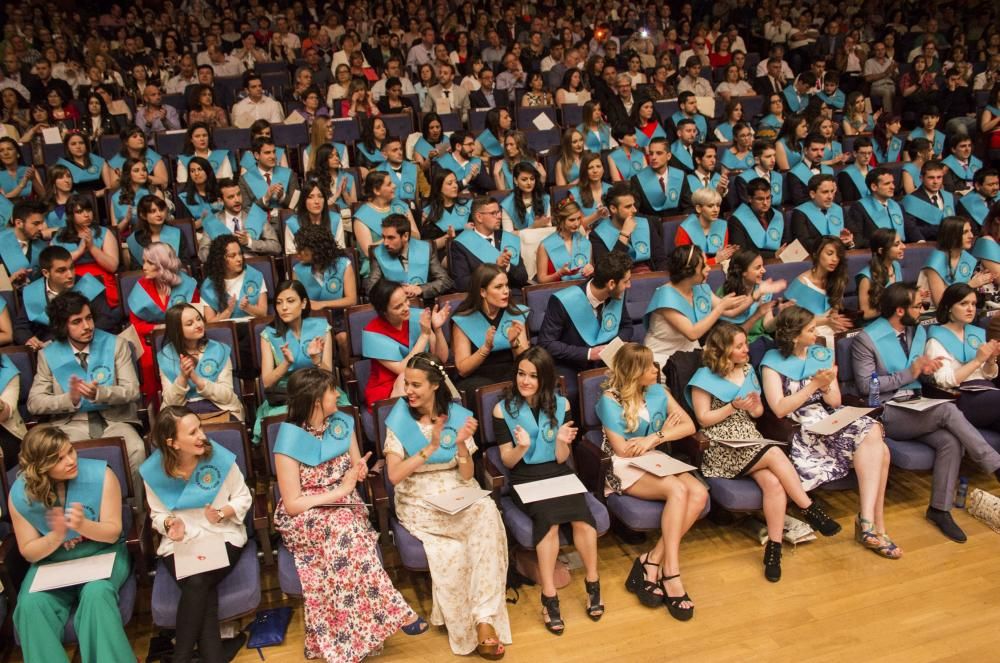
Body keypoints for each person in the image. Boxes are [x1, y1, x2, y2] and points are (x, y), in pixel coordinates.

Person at [274, 367, 428, 660]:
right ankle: (396, 610)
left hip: (343, 503)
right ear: (316, 400)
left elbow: (356, 468)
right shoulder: (288, 440)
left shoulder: (342, 424)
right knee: (349, 534)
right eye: (332, 390)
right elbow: (293, 503)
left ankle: (350, 640)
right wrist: (339, 492)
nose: (337, 394)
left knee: (349, 537)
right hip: (307, 513)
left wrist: (359, 472)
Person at [689, 323, 841, 581]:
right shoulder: (703, 377)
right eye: (739, 346)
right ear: (723, 349)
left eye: (745, 343)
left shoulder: (747, 370)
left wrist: (755, 406)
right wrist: (732, 407)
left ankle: (774, 548)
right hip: (721, 444)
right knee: (773, 452)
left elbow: (757, 414)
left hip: (749, 438)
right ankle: (808, 507)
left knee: (774, 484)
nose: (746, 349)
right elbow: (703, 419)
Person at [384, 353, 511, 658]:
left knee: (487, 513)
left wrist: (458, 446)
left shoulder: (455, 416)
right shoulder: (399, 421)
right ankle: (476, 622)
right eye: (406, 384)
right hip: (419, 498)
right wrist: (430, 446)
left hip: (457, 490)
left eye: (416, 385)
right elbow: (394, 475)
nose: (408, 391)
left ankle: (483, 618)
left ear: (435, 386)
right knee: (458, 546)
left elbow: (466, 473)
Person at [851, 282, 1000, 543]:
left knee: (950, 441)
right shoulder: (866, 339)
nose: (923, 310)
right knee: (946, 411)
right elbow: (867, 386)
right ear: (900, 310)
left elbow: (925, 377)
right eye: (919, 306)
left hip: (918, 405)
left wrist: (928, 372)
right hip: (887, 410)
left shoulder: (916, 332)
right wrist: (911, 373)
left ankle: (939, 509)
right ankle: (995, 465)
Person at [762, 305, 898, 558]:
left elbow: (835, 402)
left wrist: (826, 387)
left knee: (873, 433)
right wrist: (813, 384)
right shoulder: (771, 363)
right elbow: (779, 409)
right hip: (799, 427)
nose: (816, 334)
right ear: (794, 335)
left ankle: (869, 522)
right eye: (811, 330)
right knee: (883, 452)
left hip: (827, 418)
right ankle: (873, 526)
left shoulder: (821, 354)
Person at [495, 346, 601, 631]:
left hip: (557, 472)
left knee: (582, 518)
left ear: (544, 379)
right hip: (525, 478)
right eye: (521, 374)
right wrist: (521, 447)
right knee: (549, 523)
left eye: (532, 376)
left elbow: (561, 458)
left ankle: (593, 583)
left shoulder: (561, 405)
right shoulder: (503, 408)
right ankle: (549, 597)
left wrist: (563, 441)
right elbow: (507, 460)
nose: (525, 381)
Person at [597, 343, 706, 619]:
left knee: (700, 493)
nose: (654, 370)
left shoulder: (659, 391)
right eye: (648, 366)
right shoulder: (609, 400)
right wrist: (661, 434)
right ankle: (671, 572)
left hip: (652, 455)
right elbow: (623, 449)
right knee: (678, 490)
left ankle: (651, 560)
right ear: (633, 372)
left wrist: (656, 437)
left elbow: (690, 426)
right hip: (622, 466)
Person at [9, 425, 133, 663]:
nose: (70, 461)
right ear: (40, 467)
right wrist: (55, 537)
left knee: (96, 595)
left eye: (70, 451)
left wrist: (83, 525)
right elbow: (29, 552)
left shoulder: (103, 475)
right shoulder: (20, 494)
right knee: (29, 606)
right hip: (51, 563)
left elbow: (112, 532)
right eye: (59, 459)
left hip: (101, 554)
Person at [141, 406, 251, 662]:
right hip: (181, 541)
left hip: (222, 535)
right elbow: (156, 515)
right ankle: (213, 656)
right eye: (193, 432)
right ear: (173, 443)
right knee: (200, 588)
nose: (202, 435)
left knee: (198, 583)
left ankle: (181, 657)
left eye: (200, 427)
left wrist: (223, 512)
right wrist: (169, 525)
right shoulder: (154, 472)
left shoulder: (220, 459)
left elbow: (244, 497)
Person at [26, 291, 145, 493]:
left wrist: (100, 393)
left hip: (115, 421)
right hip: (71, 424)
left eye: (89, 318)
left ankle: (139, 514)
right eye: (77, 322)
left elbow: (132, 390)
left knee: (137, 449)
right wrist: (69, 399)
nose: (87, 326)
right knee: (58, 459)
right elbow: (34, 403)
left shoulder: (116, 344)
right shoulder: (48, 355)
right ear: (63, 326)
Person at [538, 251, 634, 394]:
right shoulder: (564, 301)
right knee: (573, 393)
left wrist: (614, 346)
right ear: (611, 284)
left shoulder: (616, 295)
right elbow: (546, 343)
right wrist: (588, 353)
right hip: (571, 363)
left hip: (608, 360)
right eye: (626, 281)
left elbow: (627, 327)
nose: (629, 286)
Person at [254, 280, 335, 441]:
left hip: (318, 389)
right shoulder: (269, 334)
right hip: (287, 395)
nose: (284, 307)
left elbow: (329, 375)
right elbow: (267, 382)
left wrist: (316, 359)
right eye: (279, 302)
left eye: (290, 301)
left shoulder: (321, 327)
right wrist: (286, 363)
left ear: (304, 303)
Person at [645, 245, 749, 368]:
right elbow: (692, 334)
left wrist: (755, 296)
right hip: (663, 359)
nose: (709, 268)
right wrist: (720, 307)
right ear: (689, 271)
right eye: (704, 266)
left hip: (690, 353)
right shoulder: (665, 297)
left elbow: (730, 312)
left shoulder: (699, 288)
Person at [127, 242, 198, 401]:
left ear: (163, 264)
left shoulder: (187, 284)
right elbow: (135, 325)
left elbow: (197, 317)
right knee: (148, 361)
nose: (144, 267)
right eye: (144, 261)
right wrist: (159, 328)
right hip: (150, 339)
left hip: (184, 337)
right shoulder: (141, 286)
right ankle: (156, 404)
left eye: (149, 262)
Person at [361, 278, 449, 408]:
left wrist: (437, 329)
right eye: (398, 306)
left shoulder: (418, 317)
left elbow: (441, 359)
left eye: (406, 301)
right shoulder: (372, 333)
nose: (406, 307)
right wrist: (424, 335)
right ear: (384, 312)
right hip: (390, 388)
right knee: (406, 379)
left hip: (422, 379)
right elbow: (404, 370)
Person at [927, 283, 1000, 430]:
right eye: (963, 304)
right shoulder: (936, 339)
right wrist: (978, 360)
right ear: (948, 307)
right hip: (962, 399)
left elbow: (988, 375)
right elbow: (944, 381)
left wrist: (991, 360)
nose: (970, 309)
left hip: (987, 392)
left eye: (973, 304)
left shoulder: (975, 332)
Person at [452, 264, 530, 394]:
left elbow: (526, 362)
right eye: (499, 287)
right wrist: (486, 348)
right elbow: (463, 370)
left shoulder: (515, 314)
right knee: (491, 390)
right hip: (476, 377)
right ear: (482, 292)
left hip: (510, 370)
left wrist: (514, 344)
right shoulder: (463, 320)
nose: (506, 291)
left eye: (506, 285)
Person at [158, 304, 244, 420]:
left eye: (199, 319)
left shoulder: (219, 350)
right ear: (177, 330)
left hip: (220, 408)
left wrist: (198, 380)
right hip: (181, 414)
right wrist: (183, 378)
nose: (198, 325)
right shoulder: (166, 356)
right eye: (190, 323)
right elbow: (170, 403)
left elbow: (227, 396)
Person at [51, 193, 121, 307]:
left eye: (88, 210)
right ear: (70, 215)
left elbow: (113, 266)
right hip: (70, 281)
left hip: (102, 282)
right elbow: (53, 264)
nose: (86, 215)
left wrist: (92, 247)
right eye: (79, 212)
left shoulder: (104, 232)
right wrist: (79, 251)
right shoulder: (59, 236)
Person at [367, 213, 452, 303]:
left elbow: (445, 281)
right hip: (393, 306)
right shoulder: (378, 252)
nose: (385, 243)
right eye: (384, 237)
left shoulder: (426, 248)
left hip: (423, 304)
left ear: (405, 236)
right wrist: (396, 292)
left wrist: (421, 289)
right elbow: (371, 288)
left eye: (391, 238)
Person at [450, 196, 528, 292]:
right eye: (493, 213)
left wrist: (507, 267)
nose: (499, 216)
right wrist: (495, 269)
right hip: (481, 299)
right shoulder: (461, 244)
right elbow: (462, 284)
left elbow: (523, 277)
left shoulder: (508, 239)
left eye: (499, 212)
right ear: (479, 217)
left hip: (511, 295)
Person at [782, 237, 852, 338]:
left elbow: (833, 313)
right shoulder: (802, 283)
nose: (835, 259)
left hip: (830, 330)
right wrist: (826, 321)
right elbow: (792, 320)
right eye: (830, 253)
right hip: (805, 333)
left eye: (838, 255)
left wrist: (837, 321)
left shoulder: (837, 279)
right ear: (816, 254)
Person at [197, 178, 281, 262]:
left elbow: (276, 247)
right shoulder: (213, 222)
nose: (237, 200)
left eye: (238, 194)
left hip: (253, 266)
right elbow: (202, 254)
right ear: (221, 201)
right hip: (225, 270)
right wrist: (224, 249)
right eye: (231, 197)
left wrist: (249, 242)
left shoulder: (256, 215)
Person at [591, 181, 667, 273]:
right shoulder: (598, 235)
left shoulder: (646, 223)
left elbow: (661, 260)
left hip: (650, 277)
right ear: (613, 209)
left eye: (634, 205)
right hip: (620, 281)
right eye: (628, 207)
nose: (634, 210)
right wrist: (624, 235)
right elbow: (607, 271)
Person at [353, 171, 416, 275]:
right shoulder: (361, 217)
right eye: (389, 184)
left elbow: (417, 236)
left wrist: (406, 228)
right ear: (377, 190)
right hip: (378, 267)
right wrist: (392, 236)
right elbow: (369, 253)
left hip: (408, 259)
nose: (394, 186)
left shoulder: (400, 206)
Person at [717, 250, 788, 342]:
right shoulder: (725, 293)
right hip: (735, 344)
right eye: (758, 267)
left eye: (763, 266)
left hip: (760, 340)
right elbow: (731, 338)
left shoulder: (764, 288)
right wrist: (757, 313)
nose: (764, 270)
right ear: (743, 272)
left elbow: (767, 327)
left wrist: (781, 316)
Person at [920, 216, 991, 307]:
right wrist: (970, 285)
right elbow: (940, 304)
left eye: (970, 231)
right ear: (952, 235)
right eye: (965, 232)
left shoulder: (965, 257)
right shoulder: (936, 262)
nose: (971, 236)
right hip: (935, 315)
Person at [200, 234, 269, 322]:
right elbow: (211, 324)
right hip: (226, 334)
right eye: (232, 256)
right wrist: (228, 311)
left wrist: (248, 307)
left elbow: (264, 313)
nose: (239, 259)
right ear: (220, 259)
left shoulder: (254, 276)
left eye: (240, 254)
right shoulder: (208, 286)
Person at [846, 167, 915, 246]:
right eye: (887, 183)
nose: (893, 187)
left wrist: (920, 241)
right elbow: (858, 239)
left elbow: (910, 229)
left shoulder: (897, 206)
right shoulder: (858, 208)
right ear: (874, 187)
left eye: (892, 182)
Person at [727, 178, 788, 259]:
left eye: (768, 198)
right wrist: (773, 255)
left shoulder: (778, 216)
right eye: (760, 199)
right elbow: (740, 252)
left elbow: (786, 243)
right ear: (750, 198)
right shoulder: (737, 220)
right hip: (751, 265)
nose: (765, 203)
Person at [789, 174, 852, 253]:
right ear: (812, 194)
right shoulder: (800, 213)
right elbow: (803, 243)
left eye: (832, 191)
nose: (830, 196)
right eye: (825, 192)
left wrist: (849, 241)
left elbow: (856, 235)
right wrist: (836, 244)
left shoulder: (839, 209)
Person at [537, 198, 594, 284]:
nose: (577, 223)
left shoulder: (586, 243)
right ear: (560, 220)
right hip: (556, 290)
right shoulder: (544, 245)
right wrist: (559, 274)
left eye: (579, 218)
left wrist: (590, 270)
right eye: (572, 220)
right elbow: (541, 280)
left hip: (581, 289)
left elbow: (590, 271)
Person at [674, 188, 736, 267]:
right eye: (710, 206)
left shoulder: (722, 225)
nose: (716, 210)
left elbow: (724, 257)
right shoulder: (685, 228)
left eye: (718, 205)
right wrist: (715, 260)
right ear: (698, 208)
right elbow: (685, 264)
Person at [284, 178, 347, 253]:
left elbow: (341, 250)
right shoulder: (292, 223)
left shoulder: (335, 219)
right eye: (311, 197)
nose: (317, 201)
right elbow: (291, 257)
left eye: (320, 196)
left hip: (331, 263)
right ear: (304, 201)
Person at [239, 136, 299, 213]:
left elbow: (296, 206)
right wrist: (265, 199)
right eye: (267, 153)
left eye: (274, 152)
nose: (273, 156)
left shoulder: (289, 174)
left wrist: (282, 197)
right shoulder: (244, 180)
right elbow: (246, 210)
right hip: (259, 223)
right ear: (257, 155)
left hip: (286, 221)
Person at [901, 160, 956, 242]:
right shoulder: (911, 200)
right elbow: (911, 229)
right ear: (921, 178)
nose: (936, 182)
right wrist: (937, 230)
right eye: (931, 178)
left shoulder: (949, 197)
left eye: (939, 177)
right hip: (926, 245)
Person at [857, 229, 905, 322]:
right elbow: (865, 314)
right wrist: (891, 308)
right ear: (881, 250)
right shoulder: (866, 277)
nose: (903, 246)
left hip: (894, 321)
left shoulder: (896, 266)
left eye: (902, 242)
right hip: (874, 326)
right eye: (896, 244)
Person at [420, 169, 472, 252]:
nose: (455, 186)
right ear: (439, 187)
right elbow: (427, 248)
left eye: (455, 182)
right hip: (444, 253)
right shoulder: (428, 213)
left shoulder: (467, 205)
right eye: (450, 183)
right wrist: (448, 237)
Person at [0, 199, 47, 286]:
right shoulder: (1, 241)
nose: (41, 228)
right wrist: (10, 281)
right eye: (36, 224)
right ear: (18, 223)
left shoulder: (43, 247)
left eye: (42, 223)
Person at [54, 131, 113, 196]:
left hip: (101, 199)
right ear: (67, 147)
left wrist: (96, 195)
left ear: (86, 145)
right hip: (74, 201)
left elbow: (109, 188)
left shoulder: (100, 161)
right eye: (73, 144)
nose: (78, 146)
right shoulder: (62, 165)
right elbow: (60, 193)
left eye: (81, 143)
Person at [500, 163, 551, 231]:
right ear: (515, 181)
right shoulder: (507, 204)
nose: (529, 183)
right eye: (524, 179)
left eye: (532, 179)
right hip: (519, 241)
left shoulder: (544, 198)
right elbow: (509, 236)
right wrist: (532, 227)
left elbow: (549, 227)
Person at [177, 156, 223, 222]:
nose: (196, 173)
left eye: (200, 169)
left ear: (207, 171)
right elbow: (185, 226)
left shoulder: (220, 192)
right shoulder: (184, 197)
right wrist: (204, 220)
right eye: (192, 171)